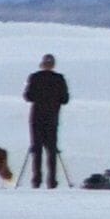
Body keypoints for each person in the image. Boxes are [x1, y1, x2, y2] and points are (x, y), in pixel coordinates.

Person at [23, 54, 71, 188]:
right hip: (52, 118)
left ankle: (36, 180)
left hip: (36, 117)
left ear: (42, 64)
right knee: (52, 149)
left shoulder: (35, 77)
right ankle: (52, 181)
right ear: (53, 65)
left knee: (36, 149)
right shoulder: (59, 79)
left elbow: (28, 96)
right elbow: (65, 99)